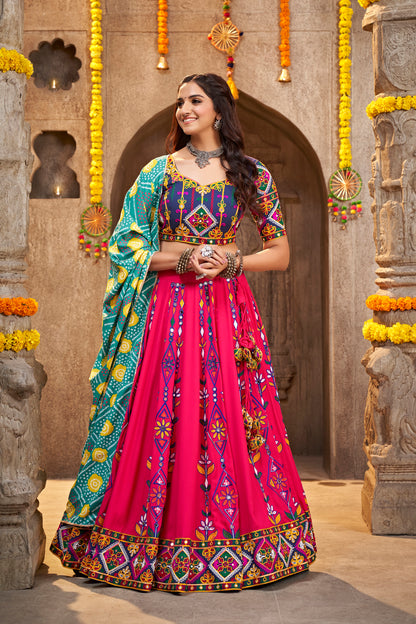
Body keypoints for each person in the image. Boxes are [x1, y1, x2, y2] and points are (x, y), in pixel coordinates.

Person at [51, 73, 316, 592]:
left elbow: (279, 254)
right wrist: (188, 256)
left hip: (226, 313)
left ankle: (245, 543)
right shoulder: (157, 173)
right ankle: (142, 542)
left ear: (219, 109)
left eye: (195, 101)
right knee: (159, 418)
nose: (184, 110)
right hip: (166, 315)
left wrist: (231, 259)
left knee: (230, 419)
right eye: (179, 103)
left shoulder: (251, 174)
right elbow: (127, 249)